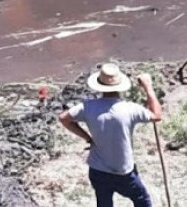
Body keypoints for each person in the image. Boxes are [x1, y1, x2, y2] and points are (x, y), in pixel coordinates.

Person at [59, 63, 163, 207]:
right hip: (122, 171)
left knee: (104, 203)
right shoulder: (130, 108)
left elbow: (64, 118)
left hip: (97, 169)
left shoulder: (88, 106)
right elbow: (157, 115)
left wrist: (87, 138)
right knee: (142, 199)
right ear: (120, 86)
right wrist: (148, 86)